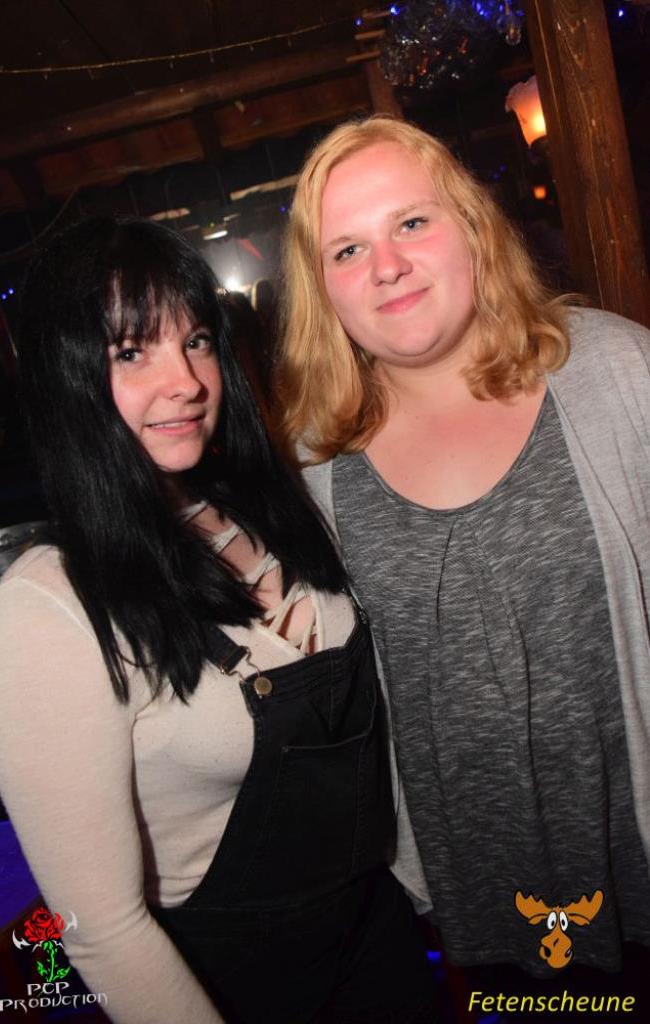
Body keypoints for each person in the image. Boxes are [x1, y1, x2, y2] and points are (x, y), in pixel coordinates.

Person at [0, 217, 436, 1024]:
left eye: (194, 342)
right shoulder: (49, 610)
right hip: (231, 989)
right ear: (67, 378)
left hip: (382, 950)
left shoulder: (281, 515)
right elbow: (102, 928)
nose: (186, 381)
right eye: (131, 353)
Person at [278, 115, 650, 981]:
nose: (386, 266)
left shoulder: (616, 372)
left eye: (411, 222)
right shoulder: (313, 461)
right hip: (471, 895)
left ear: (473, 226)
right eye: (346, 250)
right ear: (322, 291)